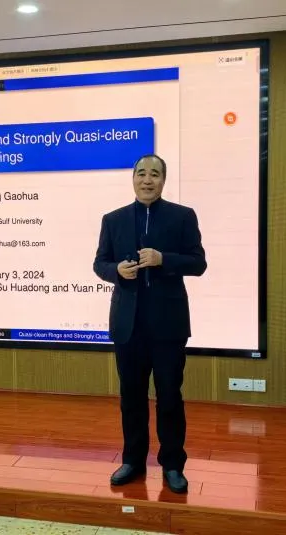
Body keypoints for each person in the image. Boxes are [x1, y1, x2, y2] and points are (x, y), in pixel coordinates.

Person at [92, 154, 207, 494]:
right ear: (133, 178)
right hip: (127, 325)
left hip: (168, 325)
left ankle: (172, 464)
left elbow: (198, 263)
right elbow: (99, 262)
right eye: (141, 173)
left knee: (169, 396)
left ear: (163, 180)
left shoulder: (182, 216)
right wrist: (116, 271)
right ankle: (132, 460)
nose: (147, 179)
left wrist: (163, 259)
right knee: (131, 397)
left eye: (154, 174)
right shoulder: (113, 219)